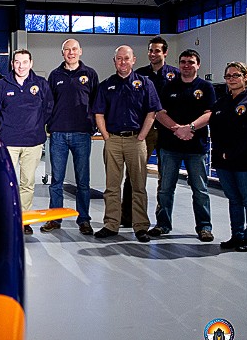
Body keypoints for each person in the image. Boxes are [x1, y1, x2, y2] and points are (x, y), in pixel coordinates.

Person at [91, 45, 161, 242]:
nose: (123, 62)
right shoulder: (106, 86)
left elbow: (152, 112)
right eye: (119, 58)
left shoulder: (145, 83)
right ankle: (111, 224)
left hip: (136, 141)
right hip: (113, 140)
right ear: (114, 61)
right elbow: (99, 113)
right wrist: (106, 137)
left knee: (138, 185)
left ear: (134, 60)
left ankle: (140, 226)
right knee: (112, 186)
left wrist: (142, 136)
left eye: (126, 58)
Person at [151, 49, 216, 241]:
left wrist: (190, 128)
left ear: (198, 65)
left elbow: (209, 113)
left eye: (190, 62)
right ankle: (163, 224)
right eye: (183, 62)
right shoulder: (169, 86)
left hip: (196, 148)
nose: (186, 65)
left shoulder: (206, 87)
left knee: (200, 190)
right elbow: (159, 113)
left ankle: (204, 227)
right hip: (170, 147)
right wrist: (176, 129)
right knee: (165, 189)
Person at [40, 39, 99, 235]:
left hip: (82, 134)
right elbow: (49, 103)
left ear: (80, 51)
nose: (71, 53)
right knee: (56, 181)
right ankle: (55, 219)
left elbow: (97, 104)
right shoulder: (55, 75)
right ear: (62, 52)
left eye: (74, 49)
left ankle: (84, 220)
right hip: (58, 134)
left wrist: (92, 127)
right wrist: (49, 127)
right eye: (67, 49)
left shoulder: (90, 74)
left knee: (83, 181)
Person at [0, 49, 53, 235]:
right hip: (8, 141)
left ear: (31, 63)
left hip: (33, 142)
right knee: (6, 181)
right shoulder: (2, 84)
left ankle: (23, 219)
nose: (21, 66)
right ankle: (4, 218)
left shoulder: (41, 84)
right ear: (12, 64)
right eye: (17, 62)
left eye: (24, 62)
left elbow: (49, 108)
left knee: (27, 182)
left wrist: (36, 125)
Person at [121, 36, 179, 227]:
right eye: (150, 50)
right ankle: (127, 217)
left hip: (168, 131)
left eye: (157, 51)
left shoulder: (175, 75)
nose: (153, 54)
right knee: (134, 175)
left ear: (165, 53)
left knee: (166, 178)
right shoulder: (139, 75)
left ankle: (163, 221)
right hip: (145, 131)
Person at [209, 62, 247, 252]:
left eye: (236, 75)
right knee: (234, 200)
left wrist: (232, 152)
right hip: (224, 161)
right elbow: (215, 131)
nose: (232, 79)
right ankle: (237, 236)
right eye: (228, 76)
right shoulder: (220, 103)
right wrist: (221, 153)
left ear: (245, 77)